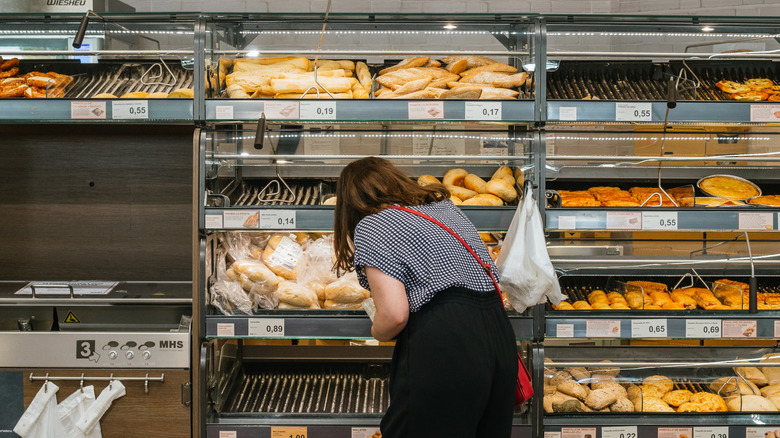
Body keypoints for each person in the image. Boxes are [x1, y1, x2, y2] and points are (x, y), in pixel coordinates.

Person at [333, 156, 517, 438]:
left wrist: (376, 330)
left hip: (447, 345)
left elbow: (394, 315)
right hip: (499, 336)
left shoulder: (373, 224)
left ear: (351, 202)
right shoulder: (444, 208)